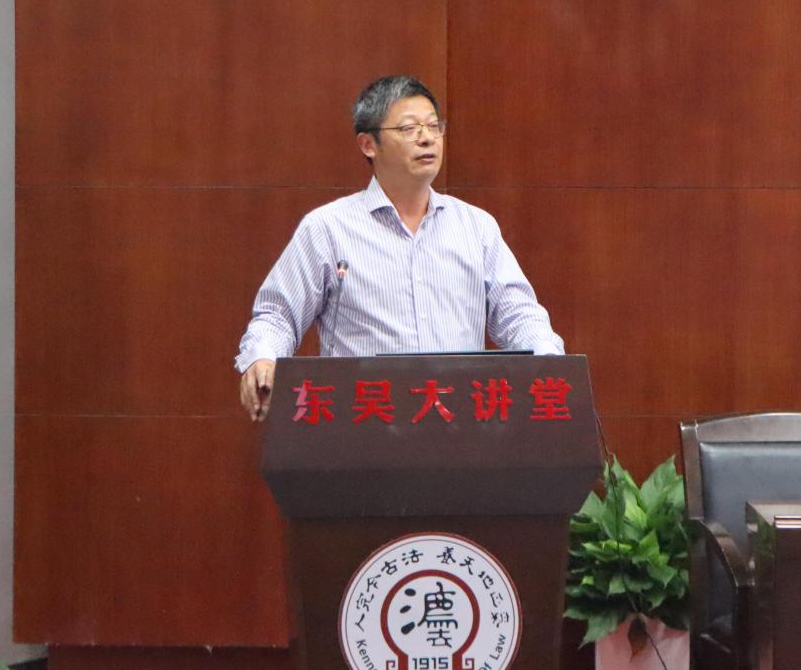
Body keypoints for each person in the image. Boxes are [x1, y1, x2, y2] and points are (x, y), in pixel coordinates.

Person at [236, 75, 563, 421]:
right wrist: (262, 357)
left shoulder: (476, 227)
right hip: (364, 423)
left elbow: (517, 312)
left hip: (459, 426)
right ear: (368, 144)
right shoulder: (328, 229)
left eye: (434, 126)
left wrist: (549, 359)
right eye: (408, 129)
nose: (427, 138)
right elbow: (279, 314)